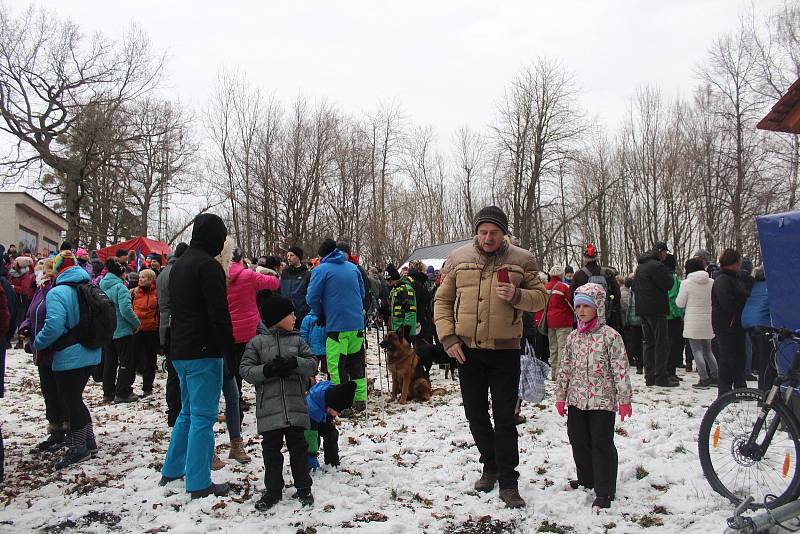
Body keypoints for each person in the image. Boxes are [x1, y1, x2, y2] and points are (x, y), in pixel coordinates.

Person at [434, 205, 546, 509]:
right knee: (475, 415)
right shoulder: (458, 259)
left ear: (503, 233)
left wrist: (518, 296)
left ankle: (509, 482)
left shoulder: (522, 260)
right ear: (476, 232)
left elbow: (541, 298)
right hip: (466, 351)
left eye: (493, 232)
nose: (488, 237)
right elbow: (442, 301)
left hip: (504, 352)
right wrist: (448, 337)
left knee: (505, 419)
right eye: (483, 232)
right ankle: (490, 465)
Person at [160, 213, 233, 499]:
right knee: (203, 416)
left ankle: (173, 468)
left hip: (181, 350)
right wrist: (229, 352)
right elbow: (219, 315)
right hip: (204, 350)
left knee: (188, 413)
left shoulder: (178, 266)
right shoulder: (208, 267)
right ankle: (199, 482)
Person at [555, 283, 632, 511]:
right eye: (577, 306)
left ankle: (605, 489)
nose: (580, 311)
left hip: (602, 400)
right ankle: (587, 478)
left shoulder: (610, 337)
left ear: (598, 307)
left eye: (586, 307)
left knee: (601, 443)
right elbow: (565, 367)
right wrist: (561, 396)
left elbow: (620, 369)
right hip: (577, 399)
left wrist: (624, 399)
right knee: (578, 439)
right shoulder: (573, 337)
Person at [239, 295, 318, 511]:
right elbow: (245, 370)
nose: (295, 317)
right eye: (290, 314)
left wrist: (295, 363)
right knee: (271, 452)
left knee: (299, 449)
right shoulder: (257, 343)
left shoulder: (298, 340)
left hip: (295, 408)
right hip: (269, 409)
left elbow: (313, 365)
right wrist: (267, 370)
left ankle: (303, 487)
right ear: (277, 318)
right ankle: (273, 489)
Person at [33, 251, 101, 469]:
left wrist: (38, 342)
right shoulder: (89, 287)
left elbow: (53, 325)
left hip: (69, 354)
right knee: (76, 399)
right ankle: (88, 442)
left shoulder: (58, 292)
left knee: (71, 401)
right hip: (91, 351)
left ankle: (78, 448)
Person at [225, 244, 281, 464]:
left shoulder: (220, 277)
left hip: (228, 334)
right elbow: (274, 283)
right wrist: (264, 271)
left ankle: (235, 425)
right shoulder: (248, 275)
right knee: (259, 371)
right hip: (249, 333)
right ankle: (266, 409)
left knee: (233, 381)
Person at [306, 239, 366, 409]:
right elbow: (361, 294)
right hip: (356, 324)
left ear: (322, 255)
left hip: (336, 325)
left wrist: (321, 313)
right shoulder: (353, 268)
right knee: (355, 363)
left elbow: (311, 298)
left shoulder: (321, 270)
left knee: (336, 365)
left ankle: (341, 402)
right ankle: (360, 398)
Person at [18, 258, 70, 451]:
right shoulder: (39, 293)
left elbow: (56, 319)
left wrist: (40, 340)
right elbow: (30, 315)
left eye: (42, 272)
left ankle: (69, 429)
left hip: (55, 350)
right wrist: (25, 328)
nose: (38, 276)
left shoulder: (54, 292)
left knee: (60, 392)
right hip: (41, 353)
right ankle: (55, 429)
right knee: (48, 392)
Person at [633, 242, 676, 387]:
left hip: (642, 309)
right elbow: (669, 283)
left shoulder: (641, 266)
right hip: (657, 309)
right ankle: (661, 377)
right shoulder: (657, 266)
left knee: (648, 343)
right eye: (665, 252)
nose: (665, 255)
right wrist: (668, 272)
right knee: (661, 343)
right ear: (660, 251)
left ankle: (649, 376)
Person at [99, 260, 141, 403]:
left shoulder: (101, 286)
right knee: (126, 362)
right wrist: (136, 323)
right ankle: (123, 392)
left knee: (110, 363)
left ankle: (108, 392)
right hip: (122, 331)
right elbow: (126, 310)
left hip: (107, 330)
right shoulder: (121, 288)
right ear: (122, 273)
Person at [157, 243, 189, 427]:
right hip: (176, 324)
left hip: (165, 325)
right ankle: (177, 411)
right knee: (178, 374)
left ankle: (173, 409)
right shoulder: (178, 273)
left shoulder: (162, 273)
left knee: (172, 372)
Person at [712, 248, 750, 397]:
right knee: (727, 359)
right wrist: (742, 300)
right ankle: (725, 392)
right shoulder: (723, 280)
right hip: (726, 324)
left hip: (735, 324)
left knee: (739, 356)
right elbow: (727, 303)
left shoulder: (734, 278)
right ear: (733, 263)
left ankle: (740, 387)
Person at [676, 258, 718, 389]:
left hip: (693, 322)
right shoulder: (712, 282)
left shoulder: (686, 283)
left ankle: (704, 378)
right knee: (708, 351)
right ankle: (716, 376)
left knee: (697, 351)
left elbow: (680, 303)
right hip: (708, 320)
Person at [568, 244, 621, 332]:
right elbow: (617, 295)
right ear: (597, 257)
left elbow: (571, 297)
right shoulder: (608, 273)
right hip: (607, 317)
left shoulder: (578, 275)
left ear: (584, 258)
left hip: (586, 320)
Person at [305, 380, 356, 471]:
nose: (339, 414)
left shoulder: (332, 396)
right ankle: (307, 461)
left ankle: (332, 461)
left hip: (323, 414)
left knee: (332, 433)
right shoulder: (312, 408)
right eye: (338, 411)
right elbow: (310, 436)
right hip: (309, 422)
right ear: (331, 406)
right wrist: (311, 455)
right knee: (314, 438)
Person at [742, 265, 771, 391]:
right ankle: (764, 394)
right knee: (767, 361)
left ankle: (763, 392)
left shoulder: (754, 284)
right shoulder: (771, 285)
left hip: (747, 322)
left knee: (761, 358)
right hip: (763, 323)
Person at [131, 269, 159, 396]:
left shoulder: (157, 293)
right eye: (140, 277)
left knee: (150, 359)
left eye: (143, 277)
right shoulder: (134, 292)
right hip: (137, 330)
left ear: (151, 279)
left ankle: (148, 386)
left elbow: (159, 311)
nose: (140, 279)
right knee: (134, 358)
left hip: (151, 330)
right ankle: (127, 387)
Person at [544, 265, 573, 380]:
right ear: (561, 274)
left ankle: (553, 374)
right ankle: (560, 374)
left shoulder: (545, 287)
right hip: (564, 321)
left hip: (550, 321)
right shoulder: (564, 287)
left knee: (553, 348)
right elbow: (571, 303)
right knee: (562, 347)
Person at [664, 254, 686, 381]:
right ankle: (670, 371)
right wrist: (677, 314)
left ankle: (669, 370)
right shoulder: (672, 278)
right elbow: (672, 298)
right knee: (672, 345)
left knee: (668, 345)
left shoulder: (662, 277)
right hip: (672, 316)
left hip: (664, 315)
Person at [385, 264, 417, 343]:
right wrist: (386, 311)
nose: (388, 283)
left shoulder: (406, 289)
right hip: (396, 329)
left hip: (403, 331)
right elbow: (396, 307)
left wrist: (406, 329)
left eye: (389, 281)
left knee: (403, 354)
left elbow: (411, 310)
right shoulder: (394, 289)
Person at [280, 246, 311, 328]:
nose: (289, 258)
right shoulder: (284, 273)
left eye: (291, 255)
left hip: (301, 315)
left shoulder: (307, 274)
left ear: (298, 257)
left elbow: (310, 295)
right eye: (287, 256)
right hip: (285, 314)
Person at [622, 276, 643, 374]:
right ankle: (644, 363)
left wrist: (627, 320)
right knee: (645, 342)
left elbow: (630, 305)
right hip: (644, 318)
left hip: (634, 320)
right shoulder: (644, 288)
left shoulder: (632, 290)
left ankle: (639, 365)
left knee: (636, 343)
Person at [300, 308, 327, 376]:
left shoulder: (329, 317)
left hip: (327, 352)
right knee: (312, 373)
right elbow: (303, 334)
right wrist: (305, 349)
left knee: (327, 372)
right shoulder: (308, 318)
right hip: (312, 352)